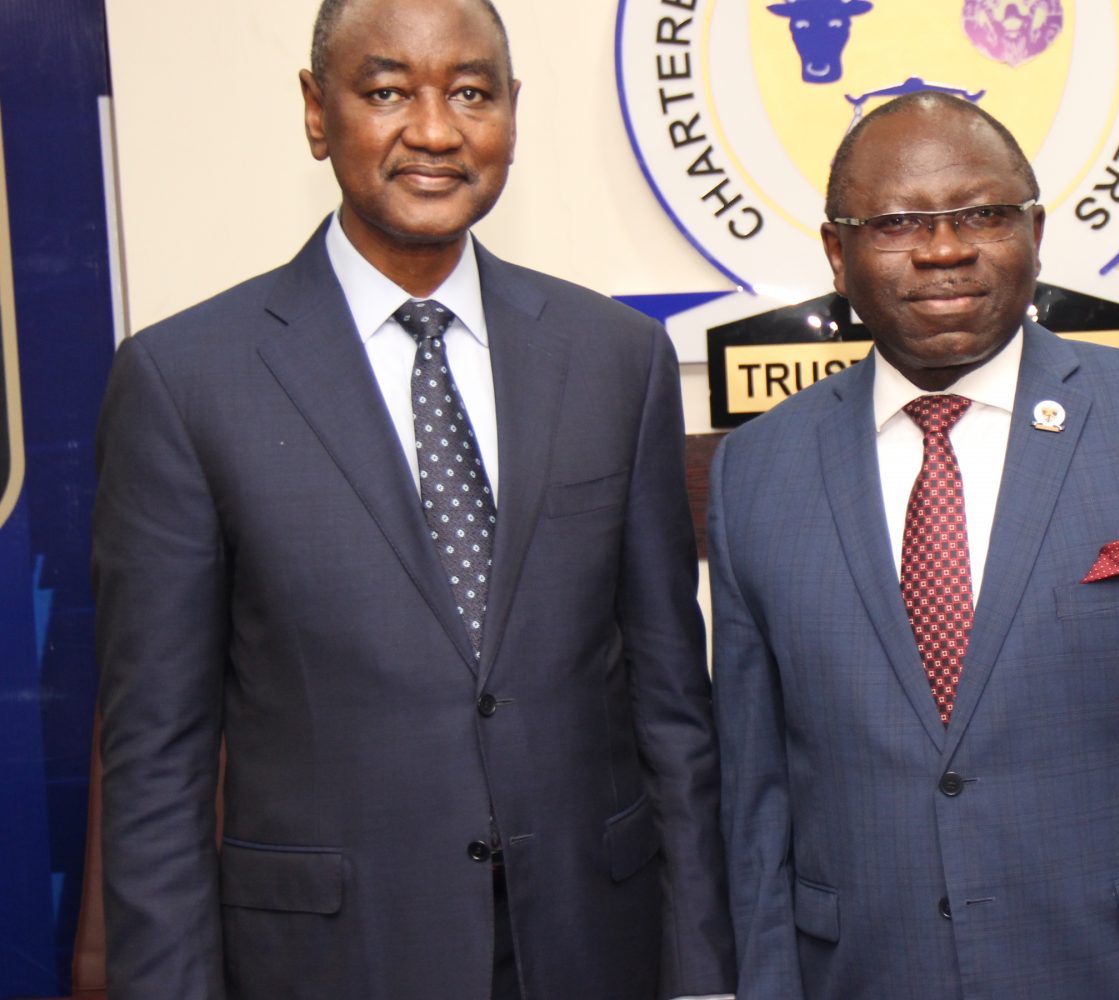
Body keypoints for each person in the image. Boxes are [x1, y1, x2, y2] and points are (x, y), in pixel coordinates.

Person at [90, 1, 734, 996]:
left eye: (471, 93)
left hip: (590, 945)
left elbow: (670, 711)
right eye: (387, 91)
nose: (434, 131)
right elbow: (155, 763)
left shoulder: (614, 359)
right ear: (317, 111)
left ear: (513, 112)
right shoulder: (184, 381)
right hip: (333, 959)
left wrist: (702, 973)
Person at [708, 93, 1119, 999]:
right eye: (896, 223)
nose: (945, 248)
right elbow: (755, 806)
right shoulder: (756, 473)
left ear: (1036, 233)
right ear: (837, 256)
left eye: (984, 214)